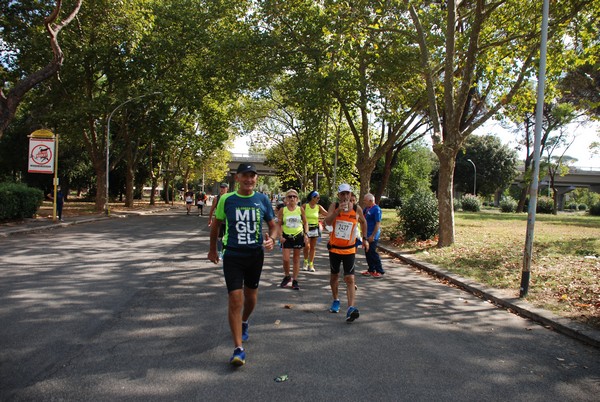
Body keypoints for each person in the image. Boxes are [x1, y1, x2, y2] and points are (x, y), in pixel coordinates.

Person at [208, 163, 278, 367]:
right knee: (235, 299)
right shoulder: (227, 200)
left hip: (255, 255)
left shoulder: (262, 199)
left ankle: (244, 321)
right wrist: (213, 249)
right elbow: (216, 226)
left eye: (252, 176)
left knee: (251, 297)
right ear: (237, 178)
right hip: (233, 255)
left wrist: (272, 239)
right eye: (245, 176)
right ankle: (238, 349)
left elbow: (273, 225)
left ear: (256, 179)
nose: (249, 179)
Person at [324, 183, 368, 323]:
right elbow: (327, 223)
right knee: (334, 276)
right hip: (335, 248)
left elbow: (364, 222)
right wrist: (337, 212)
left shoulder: (356, 208)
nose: (345, 196)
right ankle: (336, 299)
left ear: (350, 194)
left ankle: (350, 308)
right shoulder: (334, 206)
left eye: (347, 193)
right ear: (339, 195)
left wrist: (365, 239)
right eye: (342, 194)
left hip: (349, 249)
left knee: (350, 278)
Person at [278, 189, 309, 290]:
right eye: (289, 196)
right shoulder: (283, 210)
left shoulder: (300, 209)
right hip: (286, 237)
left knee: (296, 259)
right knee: (286, 259)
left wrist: (306, 234)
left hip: (298, 236)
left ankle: (295, 280)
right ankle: (287, 276)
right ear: (286, 199)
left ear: (297, 199)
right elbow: (279, 224)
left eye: (294, 196)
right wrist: (280, 236)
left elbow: (305, 222)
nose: (292, 198)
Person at [302, 190, 328, 272]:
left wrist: (337, 213)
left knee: (313, 247)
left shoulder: (318, 207)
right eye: (317, 197)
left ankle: (311, 264)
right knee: (307, 246)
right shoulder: (305, 206)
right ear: (312, 198)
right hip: (306, 228)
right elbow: (298, 214)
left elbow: (326, 213)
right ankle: (305, 262)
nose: (318, 199)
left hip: (315, 228)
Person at [361, 193, 385, 278]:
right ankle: (371, 269)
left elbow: (377, 223)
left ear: (371, 201)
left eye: (365, 200)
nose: (364, 202)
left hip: (373, 235)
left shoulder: (376, 209)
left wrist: (373, 235)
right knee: (367, 252)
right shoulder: (367, 209)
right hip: (366, 234)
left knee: (372, 252)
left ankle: (380, 270)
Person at [208, 183, 229, 259]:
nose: (222, 189)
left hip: (228, 221)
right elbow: (212, 209)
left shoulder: (230, 198)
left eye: (223, 188)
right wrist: (210, 219)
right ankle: (220, 252)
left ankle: (225, 251)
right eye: (221, 188)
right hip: (219, 221)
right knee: (219, 237)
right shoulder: (216, 198)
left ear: (227, 189)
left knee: (227, 237)